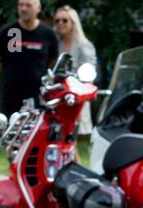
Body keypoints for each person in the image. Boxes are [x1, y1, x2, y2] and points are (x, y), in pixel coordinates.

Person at [0, 0, 60, 117]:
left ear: (38, 8)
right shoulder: (8, 32)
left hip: (38, 97)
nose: (23, 9)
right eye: (21, 5)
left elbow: (52, 61)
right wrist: (11, 73)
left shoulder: (48, 34)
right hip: (11, 97)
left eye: (28, 5)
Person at [54, 6, 97, 135]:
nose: (60, 23)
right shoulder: (55, 44)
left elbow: (89, 73)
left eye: (65, 20)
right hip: (57, 95)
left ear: (73, 22)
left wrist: (83, 94)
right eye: (57, 20)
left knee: (71, 136)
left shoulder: (84, 45)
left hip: (76, 96)